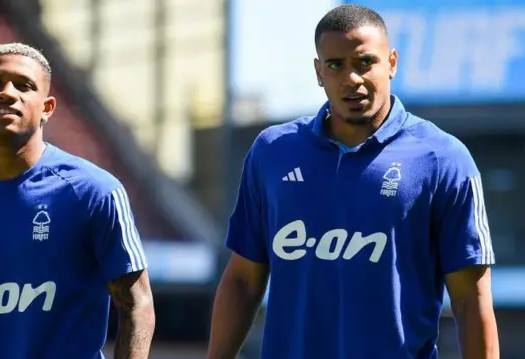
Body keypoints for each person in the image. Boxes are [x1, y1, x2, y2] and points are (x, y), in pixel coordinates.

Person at [207, 5, 499, 359]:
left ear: (391, 63)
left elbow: (471, 300)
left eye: (365, 63)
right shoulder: (272, 152)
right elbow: (243, 280)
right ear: (318, 71)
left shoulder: (443, 159)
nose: (352, 79)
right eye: (335, 65)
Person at [0, 42, 155, 359]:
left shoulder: (93, 192)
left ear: (47, 107)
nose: (7, 92)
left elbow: (137, 305)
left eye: (24, 85)